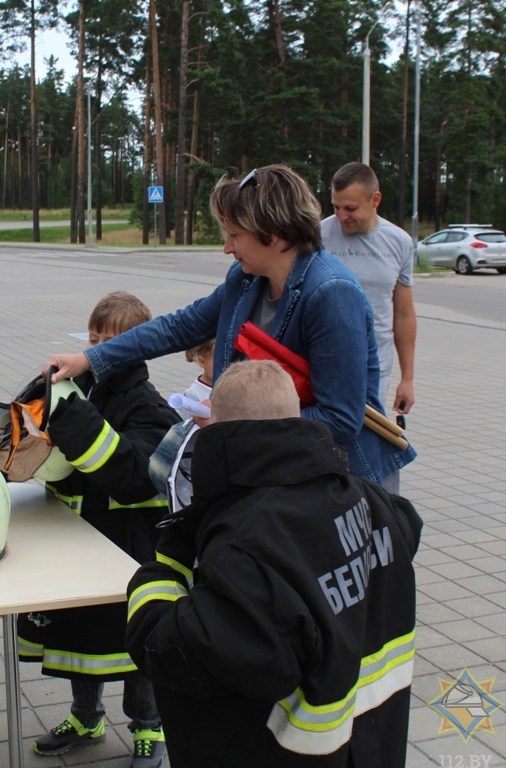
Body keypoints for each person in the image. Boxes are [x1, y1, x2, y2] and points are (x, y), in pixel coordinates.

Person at [125, 360, 422, 767]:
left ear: (216, 428)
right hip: (374, 742)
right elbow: (408, 528)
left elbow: (173, 650)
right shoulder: (371, 499)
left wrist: (160, 572)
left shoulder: (249, 544)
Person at [44, 164, 416, 486]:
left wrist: (231, 423)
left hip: (335, 482)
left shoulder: (332, 295)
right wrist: (91, 358)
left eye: (235, 235)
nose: (227, 248)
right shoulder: (246, 279)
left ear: (273, 233)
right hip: (276, 467)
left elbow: (340, 420)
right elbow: (178, 327)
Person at [20, 292, 179, 768]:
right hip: (82, 541)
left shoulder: (150, 407)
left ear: (140, 349)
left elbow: (131, 476)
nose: (100, 351)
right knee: (81, 634)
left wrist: (76, 420)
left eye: (114, 343)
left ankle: (150, 729)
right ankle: (86, 718)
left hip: (130, 552)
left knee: (134, 646)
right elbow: (57, 459)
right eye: (93, 340)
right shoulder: (85, 389)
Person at [322, 162, 416, 494]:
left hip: (376, 366)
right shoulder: (319, 235)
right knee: (334, 437)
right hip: (325, 361)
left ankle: (379, 508)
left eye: (350, 208)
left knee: (371, 438)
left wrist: (407, 379)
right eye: (335, 206)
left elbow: (403, 313)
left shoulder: (399, 242)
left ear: (375, 199)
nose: (341, 216)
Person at [173, 339, 214, 419]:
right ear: (202, 362)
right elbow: (185, 425)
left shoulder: (231, 385)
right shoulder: (193, 394)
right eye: (218, 361)